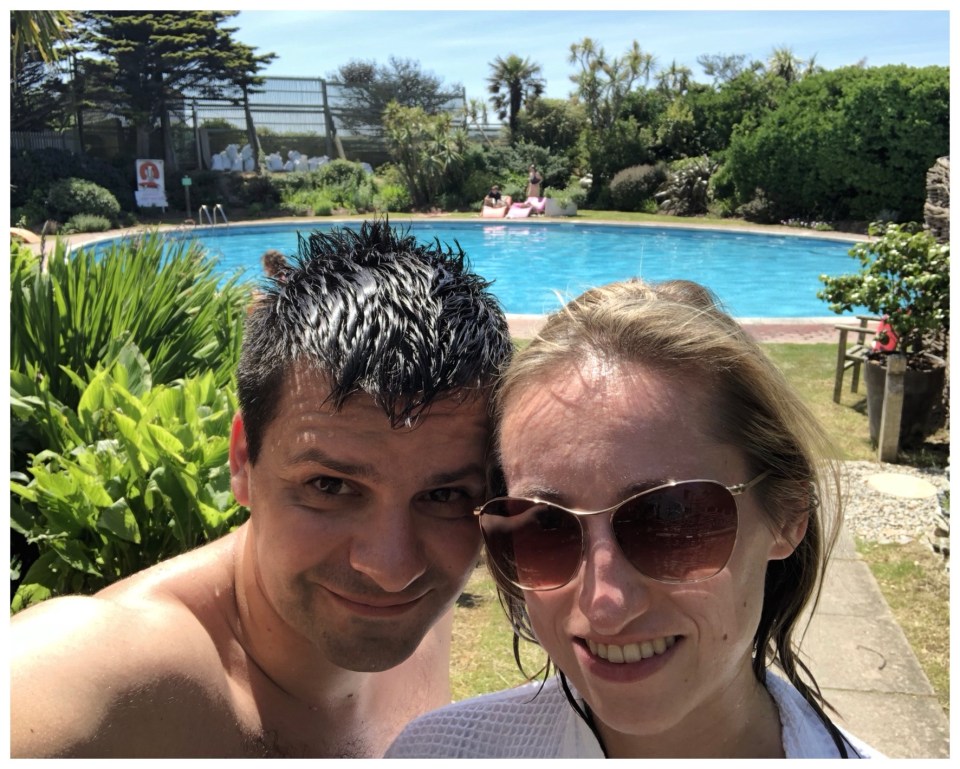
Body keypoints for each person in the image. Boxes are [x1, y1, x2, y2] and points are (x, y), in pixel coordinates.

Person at [9, 219, 513, 758]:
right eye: (330, 485)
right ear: (242, 461)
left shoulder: (420, 615)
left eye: (443, 495)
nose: (392, 569)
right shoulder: (103, 673)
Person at [387, 278, 879, 758]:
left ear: (788, 513)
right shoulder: (438, 752)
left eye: (670, 519)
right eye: (545, 527)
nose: (605, 605)